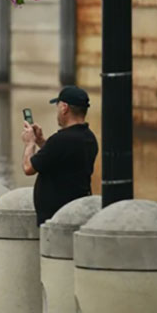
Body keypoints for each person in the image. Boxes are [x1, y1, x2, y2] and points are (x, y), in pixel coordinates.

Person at [22, 85, 99, 226]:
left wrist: (30, 143)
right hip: (76, 212)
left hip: (55, 221)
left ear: (64, 107)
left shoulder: (60, 140)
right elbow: (61, 158)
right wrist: (41, 141)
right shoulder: (89, 138)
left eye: (57, 106)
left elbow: (28, 168)